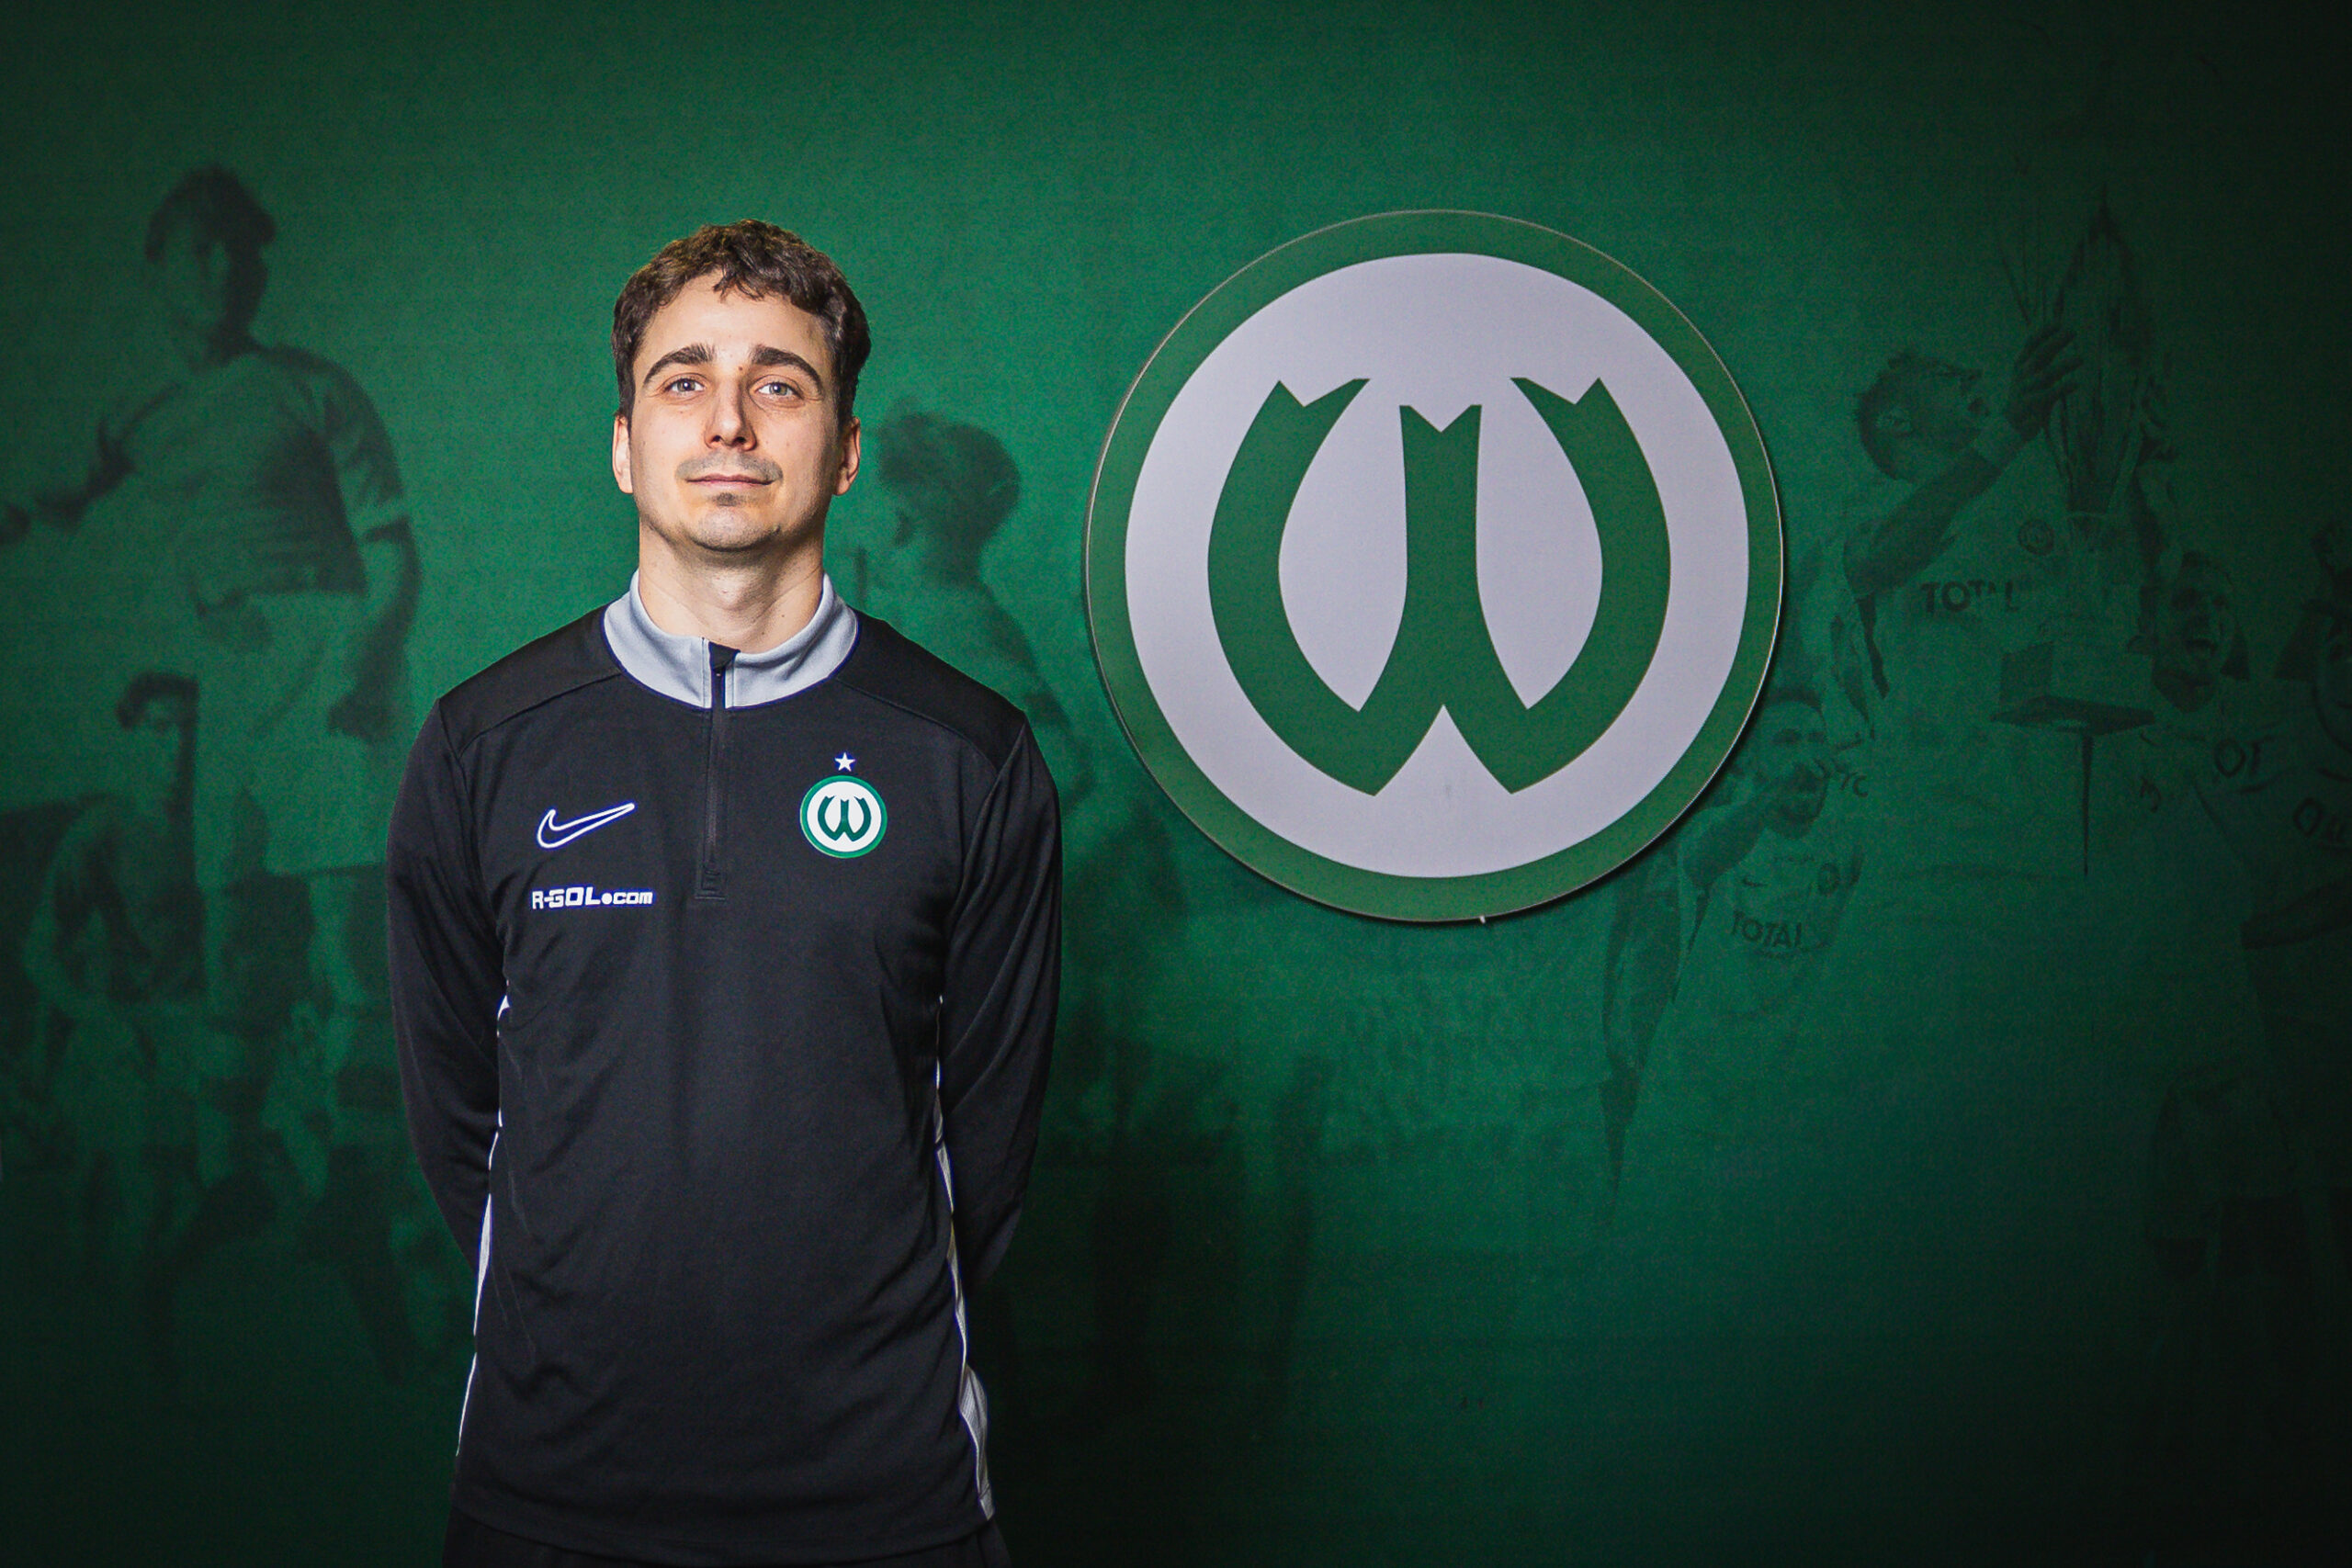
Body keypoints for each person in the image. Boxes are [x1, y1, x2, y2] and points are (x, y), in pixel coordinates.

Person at [390, 221, 1057, 1568]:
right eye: (684, 380)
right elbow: (461, 1122)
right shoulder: (482, 745)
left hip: (889, 1500)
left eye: (780, 384)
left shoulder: (970, 753)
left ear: (847, 448)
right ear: (624, 444)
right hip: (552, 1494)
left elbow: (987, 1147)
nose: (730, 423)